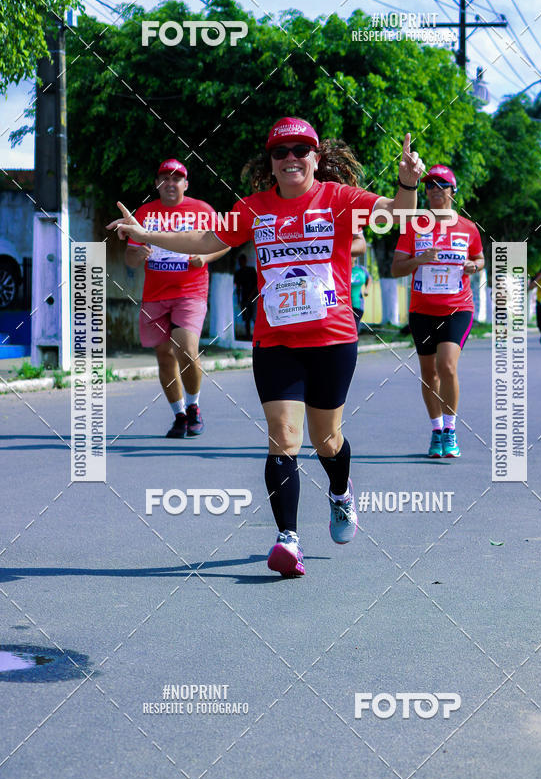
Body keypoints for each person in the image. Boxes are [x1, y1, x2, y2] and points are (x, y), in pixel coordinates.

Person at [109, 117, 425, 577]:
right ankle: (288, 540)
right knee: (284, 437)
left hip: (333, 339)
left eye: (301, 149)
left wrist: (407, 182)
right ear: (270, 162)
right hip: (275, 341)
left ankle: (340, 494)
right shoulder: (253, 208)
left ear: (316, 157)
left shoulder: (339, 199)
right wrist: (146, 234)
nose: (291, 157)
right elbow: (205, 238)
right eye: (281, 151)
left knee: (326, 440)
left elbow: (396, 213)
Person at [124, 159, 229, 438]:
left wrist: (205, 256)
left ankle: (194, 406)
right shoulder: (144, 213)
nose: (170, 183)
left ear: (186, 184)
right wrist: (137, 254)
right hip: (155, 296)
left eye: (176, 178)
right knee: (164, 356)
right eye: (164, 178)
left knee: (186, 346)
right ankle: (179, 415)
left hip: (190, 292)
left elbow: (224, 241)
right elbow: (130, 258)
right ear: (157, 183)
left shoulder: (202, 210)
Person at [391, 164, 484, 459]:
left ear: (453, 192)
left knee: (448, 366)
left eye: (441, 185)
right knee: (429, 373)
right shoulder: (414, 226)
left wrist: (475, 266)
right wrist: (419, 259)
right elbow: (395, 269)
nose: (434, 190)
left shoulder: (468, 228)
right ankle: (436, 431)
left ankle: (451, 429)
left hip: (458, 307)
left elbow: (480, 259)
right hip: (422, 310)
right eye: (429, 185)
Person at [233, 253, 258, 340]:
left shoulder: (251, 270)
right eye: (240, 261)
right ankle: (248, 336)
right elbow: (238, 287)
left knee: (255, 317)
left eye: (242, 261)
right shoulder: (238, 273)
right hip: (244, 298)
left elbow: (256, 284)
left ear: (245, 261)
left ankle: (257, 336)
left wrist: (251, 296)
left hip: (254, 297)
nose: (241, 263)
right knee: (246, 318)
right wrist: (239, 299)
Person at [350, 259, 371, 332]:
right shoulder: (342, 269)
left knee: (354, 327)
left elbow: (369, 278)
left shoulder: (361, 269)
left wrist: (366, 289)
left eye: (352, 255)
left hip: (358, 304)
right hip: (345, 305)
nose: (351, 257)